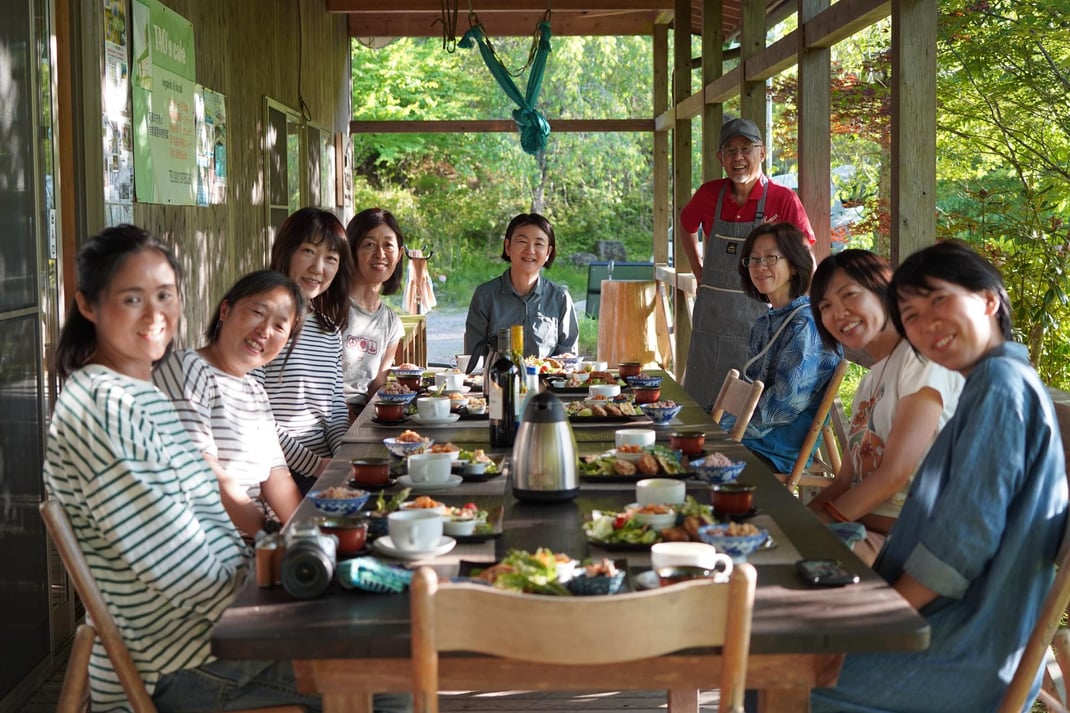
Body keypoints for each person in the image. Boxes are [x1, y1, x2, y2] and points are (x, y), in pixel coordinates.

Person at [43, 225, 321, 712]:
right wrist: (275, 603)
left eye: (165, 295)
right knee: (381, 675)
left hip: (211, 634)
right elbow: (176, 567)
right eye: (132, 298)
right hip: (181, 660)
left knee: (375, 652)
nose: (155, 315)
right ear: (89, 305)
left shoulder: (139, 397)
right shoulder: (103, 412)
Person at [811, 241, 1068, 712]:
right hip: (954, 630)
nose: (925, 325)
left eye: (939, 301)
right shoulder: (993, 382)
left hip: (965, 650)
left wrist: (878, 622)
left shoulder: (1001, 389)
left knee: (783, 676)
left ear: (988, 300)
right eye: (910, 315)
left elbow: (960, 545)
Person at [807, 250, 963, 565]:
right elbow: (843, 482)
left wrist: (813, 529)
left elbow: (895, 474)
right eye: (825, 306)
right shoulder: (869, 381)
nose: (838, 313)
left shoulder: (921, 358)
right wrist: (795, 523)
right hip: (867, 533)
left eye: (849, 295)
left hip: (919, 551)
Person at [154, 270, 305, 537]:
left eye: (280, 326)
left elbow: (276, 477)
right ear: (225, 310)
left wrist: (307, 532)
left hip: (254, 540)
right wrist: (269, 538)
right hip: (205, 545)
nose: (265, 331)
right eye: (258, 312)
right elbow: (201, 468)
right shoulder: (186, 367)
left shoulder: (255, 391)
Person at [680, 117, 815, 410]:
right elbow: (686, 225)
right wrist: (699, 271)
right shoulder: (708, 194)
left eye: (746, 148)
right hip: (710, 319)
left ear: (762, 153)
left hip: (759, 321)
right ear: (720, 158)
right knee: (700, 404)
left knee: (747, 408)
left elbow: (806, 257)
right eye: (729, 150)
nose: (738, 157)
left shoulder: (783, 200)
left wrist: (797, 307)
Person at [725, 222, 841, 472]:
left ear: (794, 265)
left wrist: (722, 432)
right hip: (751, 437)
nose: (760, 266)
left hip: (775, 450)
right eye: (753, 259)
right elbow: (750, 390)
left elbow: (784, 405)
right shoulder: (765, 321)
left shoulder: (807, 324)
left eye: (771, 258)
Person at [259, 207, 352, 493]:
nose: (318, 268)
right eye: (309, 251)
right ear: (286, 251)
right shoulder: (259, 322)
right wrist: (313, 465)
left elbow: (334, 408)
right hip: (276, 471)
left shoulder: (329, 330)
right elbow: (253, 413)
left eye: (331, 259)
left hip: (321, 469)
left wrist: (342, 456)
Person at [464, 212, 579, 359]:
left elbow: (568, 357)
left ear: (548, 252)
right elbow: (474, 357)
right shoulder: (485, 295)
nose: (530, 250)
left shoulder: (560, 297)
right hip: (497, 380)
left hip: (546, 380)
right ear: (508, 246)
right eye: (522, 241)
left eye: (538, 244)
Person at [342, 207, 405, 413]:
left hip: (363, 417)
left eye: (388, 245)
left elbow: (376, 387)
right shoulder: (332, 308)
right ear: (351, 250)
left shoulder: (391, 322)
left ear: (399, 255)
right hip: (328, 417)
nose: (380, 254)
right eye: (369, 244)